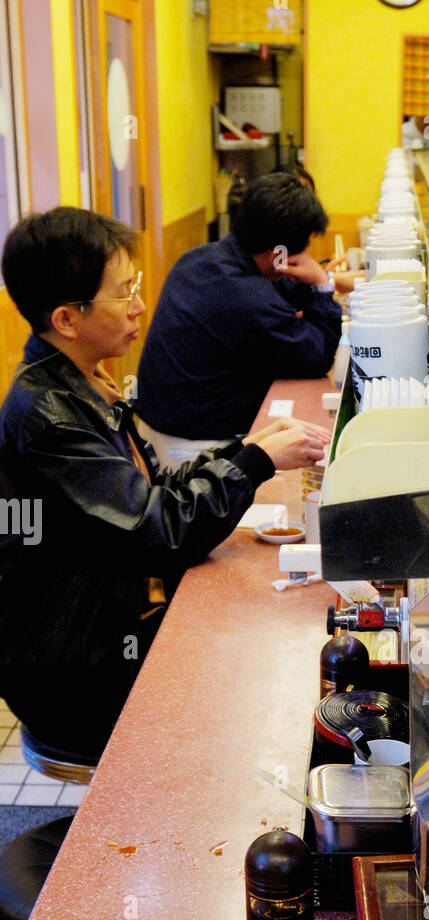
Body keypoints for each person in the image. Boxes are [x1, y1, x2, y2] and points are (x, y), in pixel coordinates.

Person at [0, 206, 328, 761]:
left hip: (107, 624)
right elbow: (158, 528)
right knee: (263, 677)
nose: (140, 306)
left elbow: (148, 490)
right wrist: (254, 464)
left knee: (258, 629)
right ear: (67, 319)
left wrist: (247, 449)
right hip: (74, 673)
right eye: (123, 293)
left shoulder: (79, 378)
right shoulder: (49, 414)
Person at [134, 173, 343, 457]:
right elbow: (316, 357)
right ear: (277, 256)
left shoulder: (201, 259)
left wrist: (312, 281)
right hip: (193, 445)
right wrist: (322, 284)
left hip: (160, 427)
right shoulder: (244, 296)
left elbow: (275, 298)